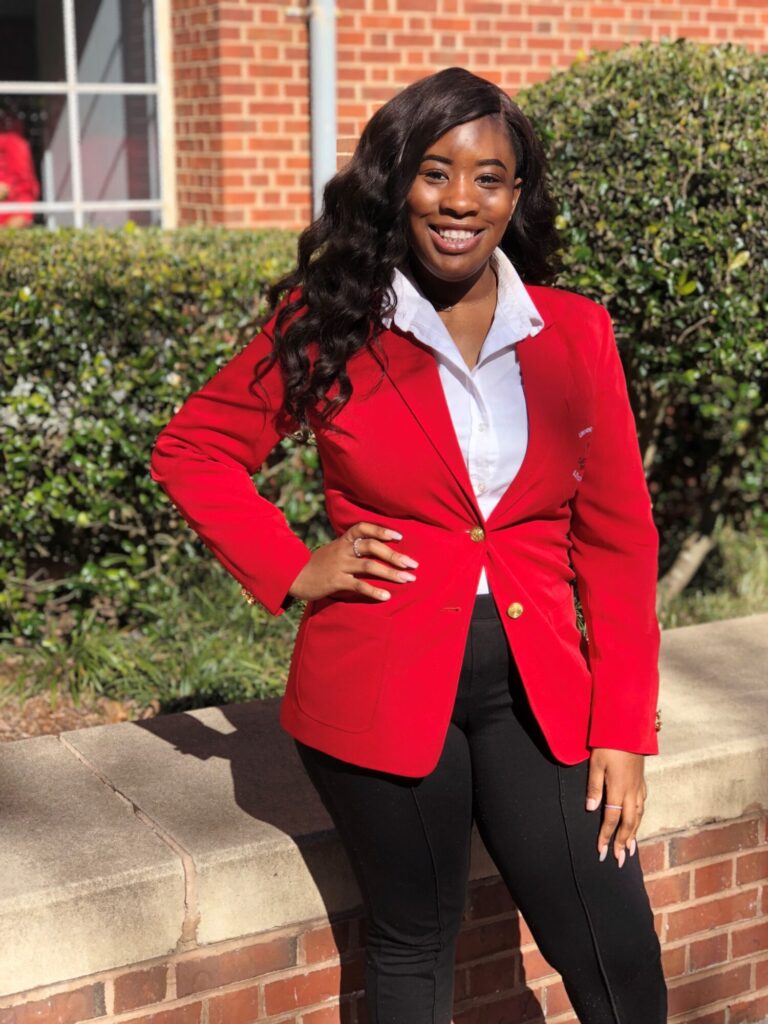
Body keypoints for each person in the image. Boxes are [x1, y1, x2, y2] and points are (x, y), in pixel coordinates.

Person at [149, 67, 667, 1024]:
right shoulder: (334, 322)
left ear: (518, 194)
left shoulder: (575, 334)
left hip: (540, 691)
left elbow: (620, 544)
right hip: (380, 684)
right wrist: (293, 566)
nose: (460, 201)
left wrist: (624, 727)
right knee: (413, 944)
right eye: (436, 172)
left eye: (489, 177)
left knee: (614, 940)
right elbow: (195, 448)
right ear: (397, 184)